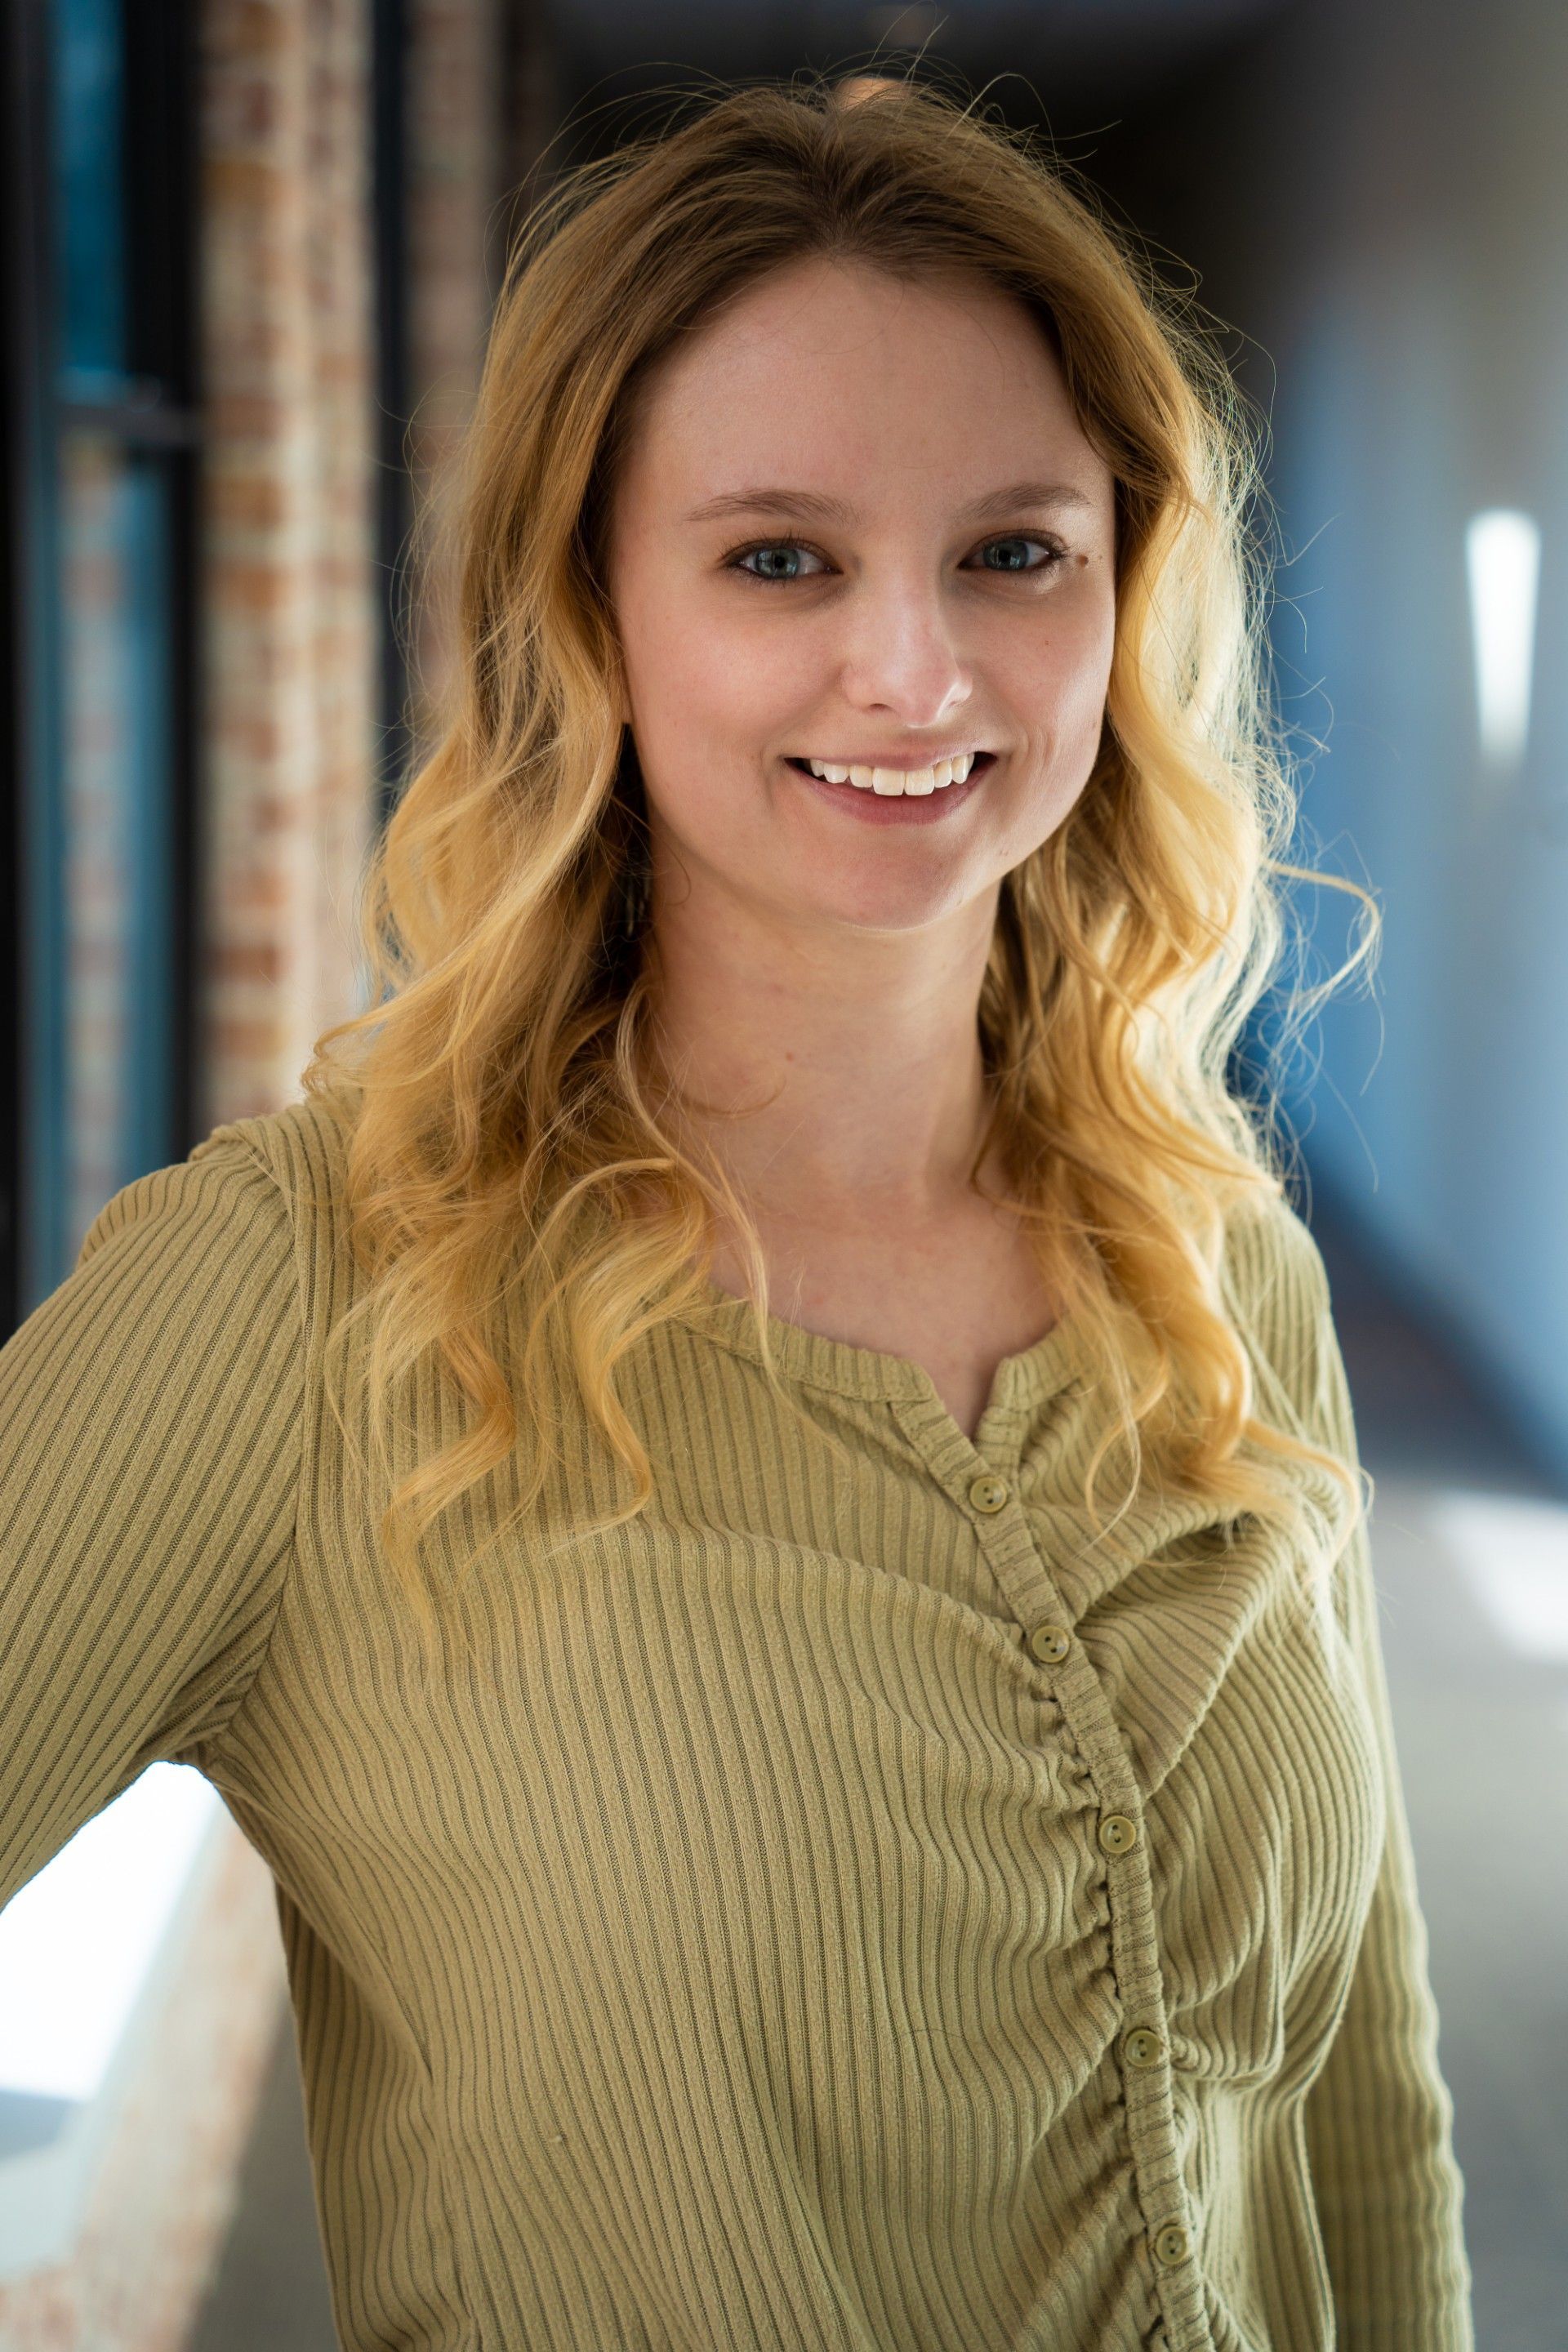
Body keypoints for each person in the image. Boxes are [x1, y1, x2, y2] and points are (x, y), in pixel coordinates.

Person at [0, 69, 1473, 2352]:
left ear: (1125, 581)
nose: (920, 671)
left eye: (1014, 549)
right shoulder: (299, 1299)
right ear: (586, 606)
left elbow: (1362, 2106)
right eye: (780, 556)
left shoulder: (1218, 1262)